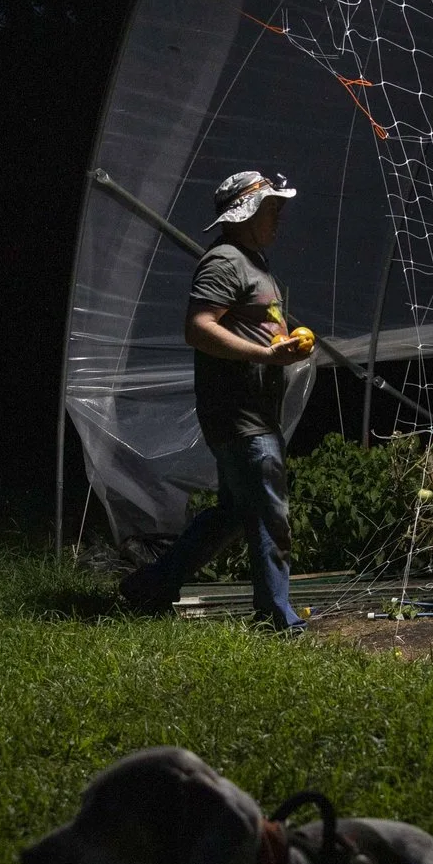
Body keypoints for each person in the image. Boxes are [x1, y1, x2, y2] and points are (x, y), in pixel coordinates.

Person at [120, 169, 315, 629]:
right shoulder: (224, 261)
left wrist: (283, 346)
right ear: (246, 213)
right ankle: (275, 617)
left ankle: (150, 586)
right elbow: (198, 327)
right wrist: (267, 354)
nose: (278, 217)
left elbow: (250, 324)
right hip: (238, 413)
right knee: (270, 511)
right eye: (271, 208)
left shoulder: (253, 261)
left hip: (253, 412)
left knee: (232, 515)